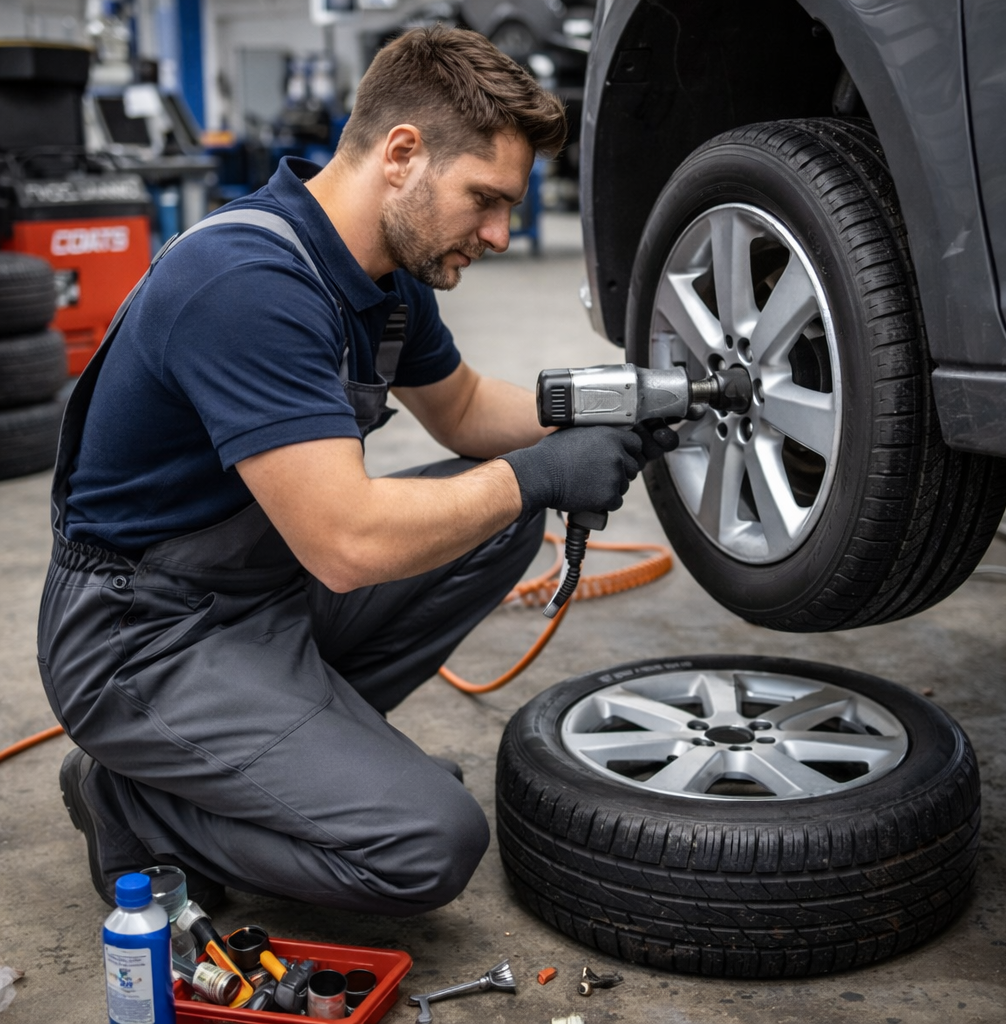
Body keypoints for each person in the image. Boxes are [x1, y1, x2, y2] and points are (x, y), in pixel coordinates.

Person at [39, 26, 671, 916]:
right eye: (484, 199)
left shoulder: (384, 271)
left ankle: (291, 766)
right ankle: (131, 800)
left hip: (259, 594)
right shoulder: (247, 282)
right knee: (428, 845)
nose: (497, 232)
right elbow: (344, 544)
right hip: (142, 636)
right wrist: (538, 475)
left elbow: (464, 412)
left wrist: (615, 404)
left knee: (495, 516)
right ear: (402, 154)